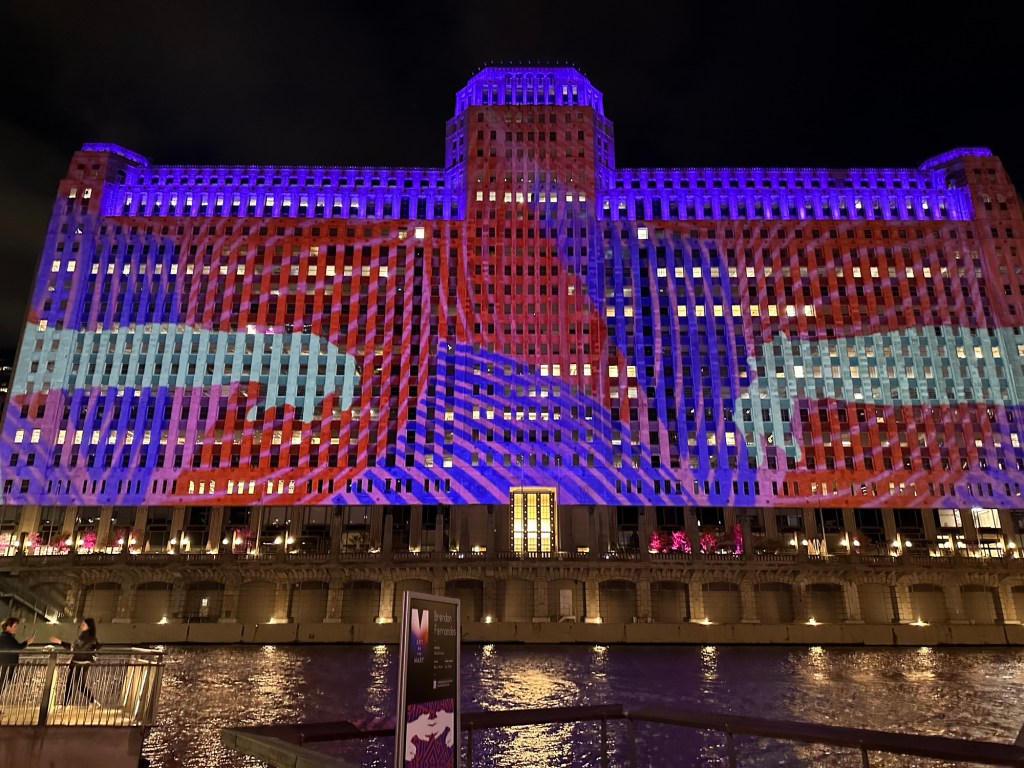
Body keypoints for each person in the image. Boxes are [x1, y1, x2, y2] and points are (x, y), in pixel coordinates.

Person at [50, 618, 101, 706]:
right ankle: (65, 704)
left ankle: (92, 701)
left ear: (89, 627)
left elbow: (76, 648)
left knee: (79, 685)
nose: (81, 625)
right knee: (71, 684)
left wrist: (60, 642)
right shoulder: (83, 636)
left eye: (84, 624)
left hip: (82, 664)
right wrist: (61, 642)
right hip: (76, 662)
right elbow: (75, 647)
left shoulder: (90, 639)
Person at [0, 617, 34, 702]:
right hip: (5, 665)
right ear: (8, 627)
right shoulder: (6, 638)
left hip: (5, 665)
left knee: (2, 684)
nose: (16, 629)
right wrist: (27, 642)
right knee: (2, 684)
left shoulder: (5, 637)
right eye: (14, 626)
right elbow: (16, 647)